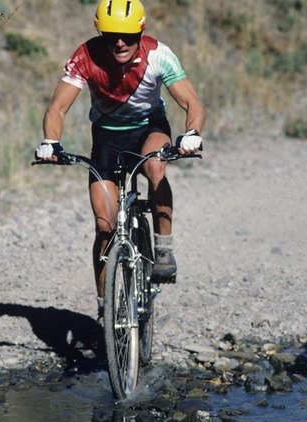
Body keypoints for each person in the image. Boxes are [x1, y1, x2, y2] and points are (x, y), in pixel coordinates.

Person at [35, 0, 206, 317]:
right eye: (112, 34)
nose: (119, 42)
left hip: (148, 129)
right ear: (100, 31)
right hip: (107, 137)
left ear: (140, 31)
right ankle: (105, 308)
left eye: (128, 36)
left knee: (155, 166)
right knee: (104, 226)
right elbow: (57, 108)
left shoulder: (158, 55)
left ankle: (164, 247)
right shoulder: (86, 56)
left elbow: (191, 102)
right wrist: (50, 142)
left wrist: (192, 133)